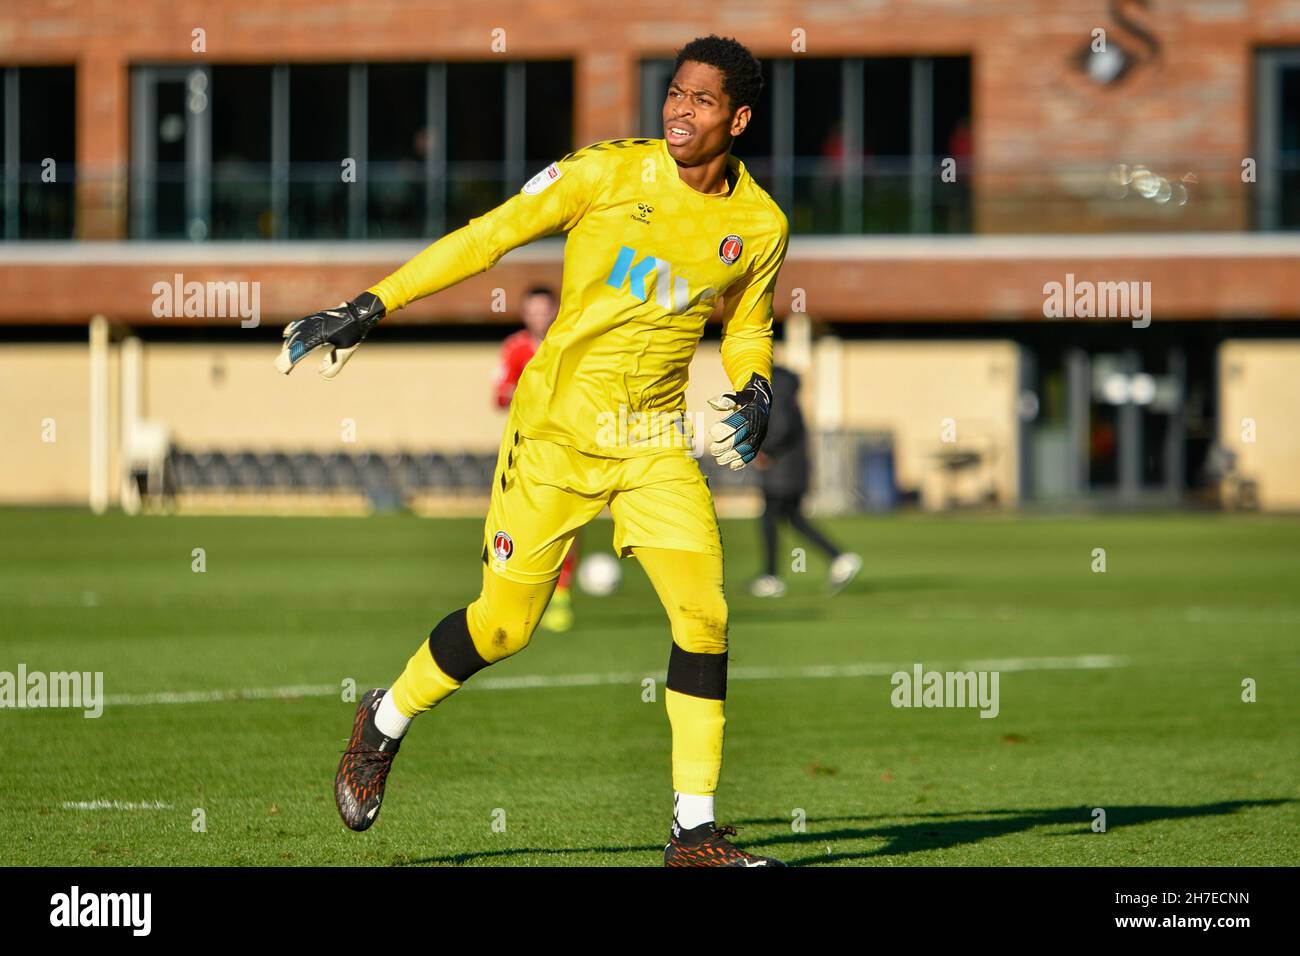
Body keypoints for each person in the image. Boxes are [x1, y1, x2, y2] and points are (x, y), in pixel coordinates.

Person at [276, 34, 789, 866]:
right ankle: (385, 718)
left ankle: (692, 833)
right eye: (673, 93)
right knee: (505, 628)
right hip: (553, 432)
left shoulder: (760, 224)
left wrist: (756, 386)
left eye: (700, 100)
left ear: (738, 117)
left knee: (705, 616)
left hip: (653, 439)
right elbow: (490, 236)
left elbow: (748, 323)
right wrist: (374, 303)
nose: (677, 110)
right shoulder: (606, 171)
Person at [493, 285, 578, 632]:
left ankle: (561, 598)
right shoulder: (515, 348)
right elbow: (499, 395)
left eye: (545, 310)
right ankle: (513, 597)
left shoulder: (571, 343)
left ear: (555, 309)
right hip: (525, 449)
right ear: (525, 314)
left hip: (569, 447)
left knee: (568, 523)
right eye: (533, 310)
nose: (539, 316)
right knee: (520, 523)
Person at [751, 365, 862, 598]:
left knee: (770, 520)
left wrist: (764, 451)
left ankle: (771, 578)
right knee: (793, 519)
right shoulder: (788, 396)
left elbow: (781, 429)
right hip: (790, 473)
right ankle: (839, 558)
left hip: (781, 473)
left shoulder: (777, 396)